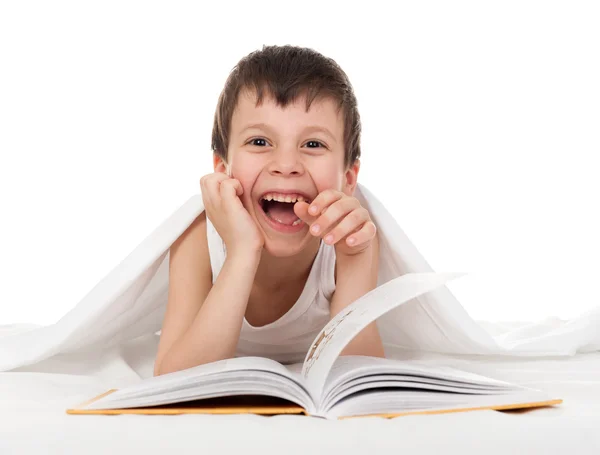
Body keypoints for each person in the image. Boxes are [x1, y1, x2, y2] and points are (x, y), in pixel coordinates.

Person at [154, 45, 384, 376]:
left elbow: (358, 378)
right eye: (260, 142)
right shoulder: (197, 239)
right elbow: (172, 378)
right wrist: (243, 251)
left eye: (313, 144)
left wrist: (355, 261)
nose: (287, 165)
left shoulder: (354, 237)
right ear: (222, 168)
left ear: (349, 178)